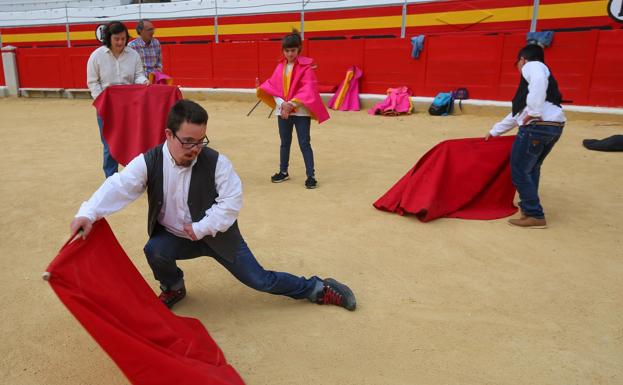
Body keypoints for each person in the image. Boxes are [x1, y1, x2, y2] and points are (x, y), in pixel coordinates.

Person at [70, 99, 356, 311]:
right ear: (168, 135)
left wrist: (201, 228)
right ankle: (174, 287)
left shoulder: (218, 162)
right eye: (188, 141)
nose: (195, 149)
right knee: (154, 250)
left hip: (219, 236)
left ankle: (318, 288)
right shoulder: (149, 161)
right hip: (176, 237)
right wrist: (88, 212)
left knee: (260, 280)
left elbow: (231, 202)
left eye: (200, 141)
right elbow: (118, 187)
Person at [485, 44, 566, 229]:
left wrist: (535, 111)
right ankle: (529, 210)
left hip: (537, 127)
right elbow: (518, 114)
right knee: (532, 168)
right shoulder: (537, 85)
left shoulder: (533, 66)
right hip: (554, 127)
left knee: (520, 170)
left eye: (518, 64)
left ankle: (535, 214)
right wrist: (495, 131)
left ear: (522, 59)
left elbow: (532, 102)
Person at [257, 30, 329, 189]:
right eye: (287, 50)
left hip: (300, 111)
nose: (290, 53)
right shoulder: (279, 67)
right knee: (285, 142)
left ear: (299, 50)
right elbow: (273, 87)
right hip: (283, 110)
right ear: (283, 51)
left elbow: (308, 90)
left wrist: (291, 105)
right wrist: (283, 104)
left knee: (304, 143)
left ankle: (311, 175)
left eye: (293, 50)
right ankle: (283, 172)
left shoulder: (306, 67)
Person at [87, 21, 148, 178]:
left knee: (133, 141)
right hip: (107, 106)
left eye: (123, 38)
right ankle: (111, 179)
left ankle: (134, 177)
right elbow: (93, 82)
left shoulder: (133, 54)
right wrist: (102, 101)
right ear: (109, 38)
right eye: (117, 39)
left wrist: (143, 81)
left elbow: (138, 75)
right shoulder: (97, 56)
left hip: (130, 106)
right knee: (109, 144)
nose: (120, 42)